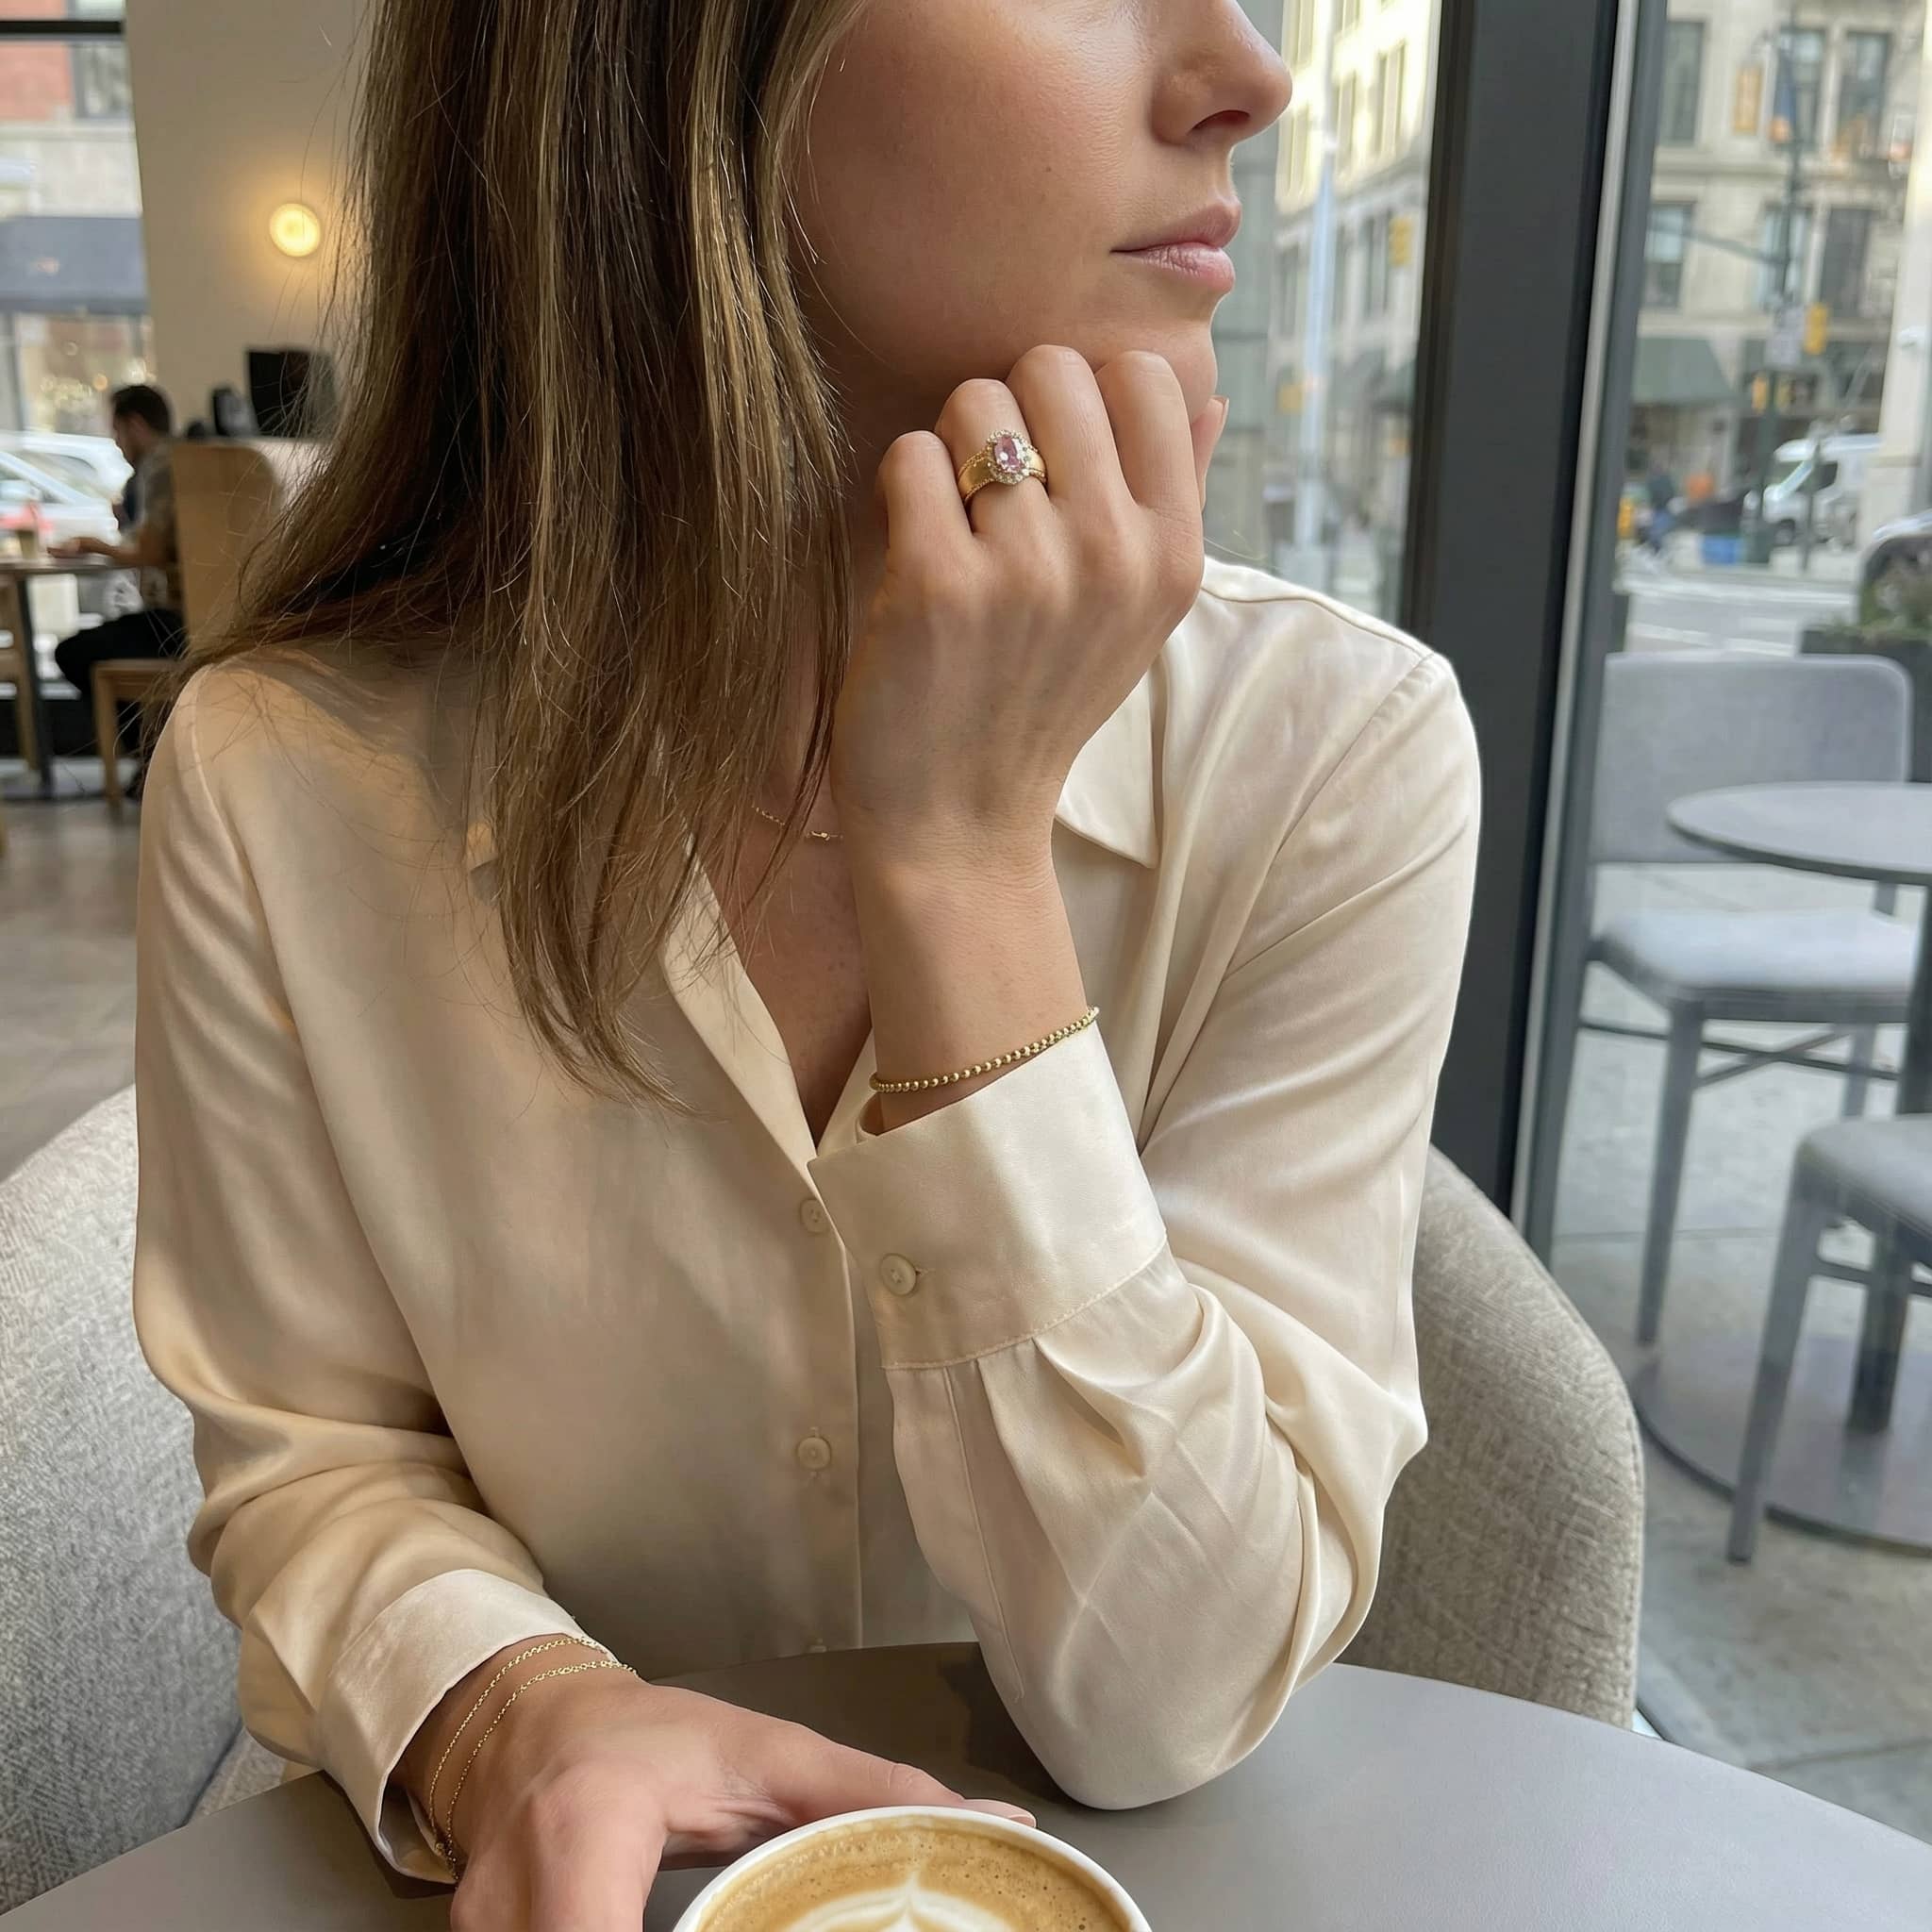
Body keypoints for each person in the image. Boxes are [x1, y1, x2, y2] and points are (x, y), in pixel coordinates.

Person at [132, 4, 1479, 1929]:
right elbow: (315, 1454)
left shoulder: (1337, 756)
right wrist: (522, 1714)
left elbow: (1165, 1690)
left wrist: (959, 871)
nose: (1244, 72)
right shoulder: (288, 785)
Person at [49, 383, 183, 753]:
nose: (118, 445)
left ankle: (149, 754)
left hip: (175, 624)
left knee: (72, 653)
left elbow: (149, 553)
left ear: (135, 425)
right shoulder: (191, 461)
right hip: (209, 617)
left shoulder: (161, 466)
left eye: (117, 432)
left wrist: (92, 545)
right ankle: (152, 753)